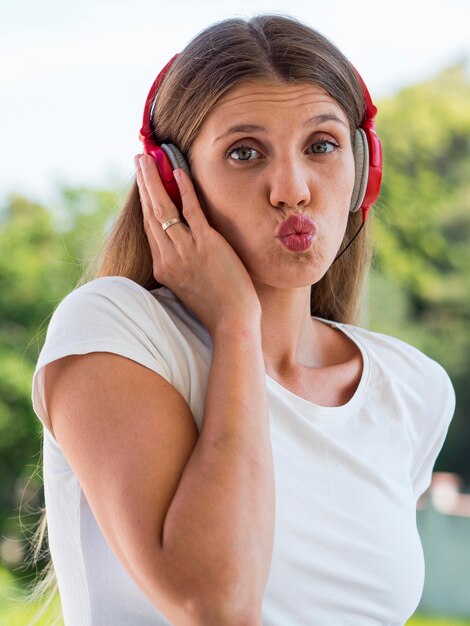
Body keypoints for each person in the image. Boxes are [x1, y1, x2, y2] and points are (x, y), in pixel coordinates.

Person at [31, 14, 455, 626]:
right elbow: (217, 603)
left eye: (322, 145)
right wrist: (235, 323)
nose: (292, 188)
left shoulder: (414, 388)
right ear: (174, 185)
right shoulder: (118, 331)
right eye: (245, 152)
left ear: (364, 169)